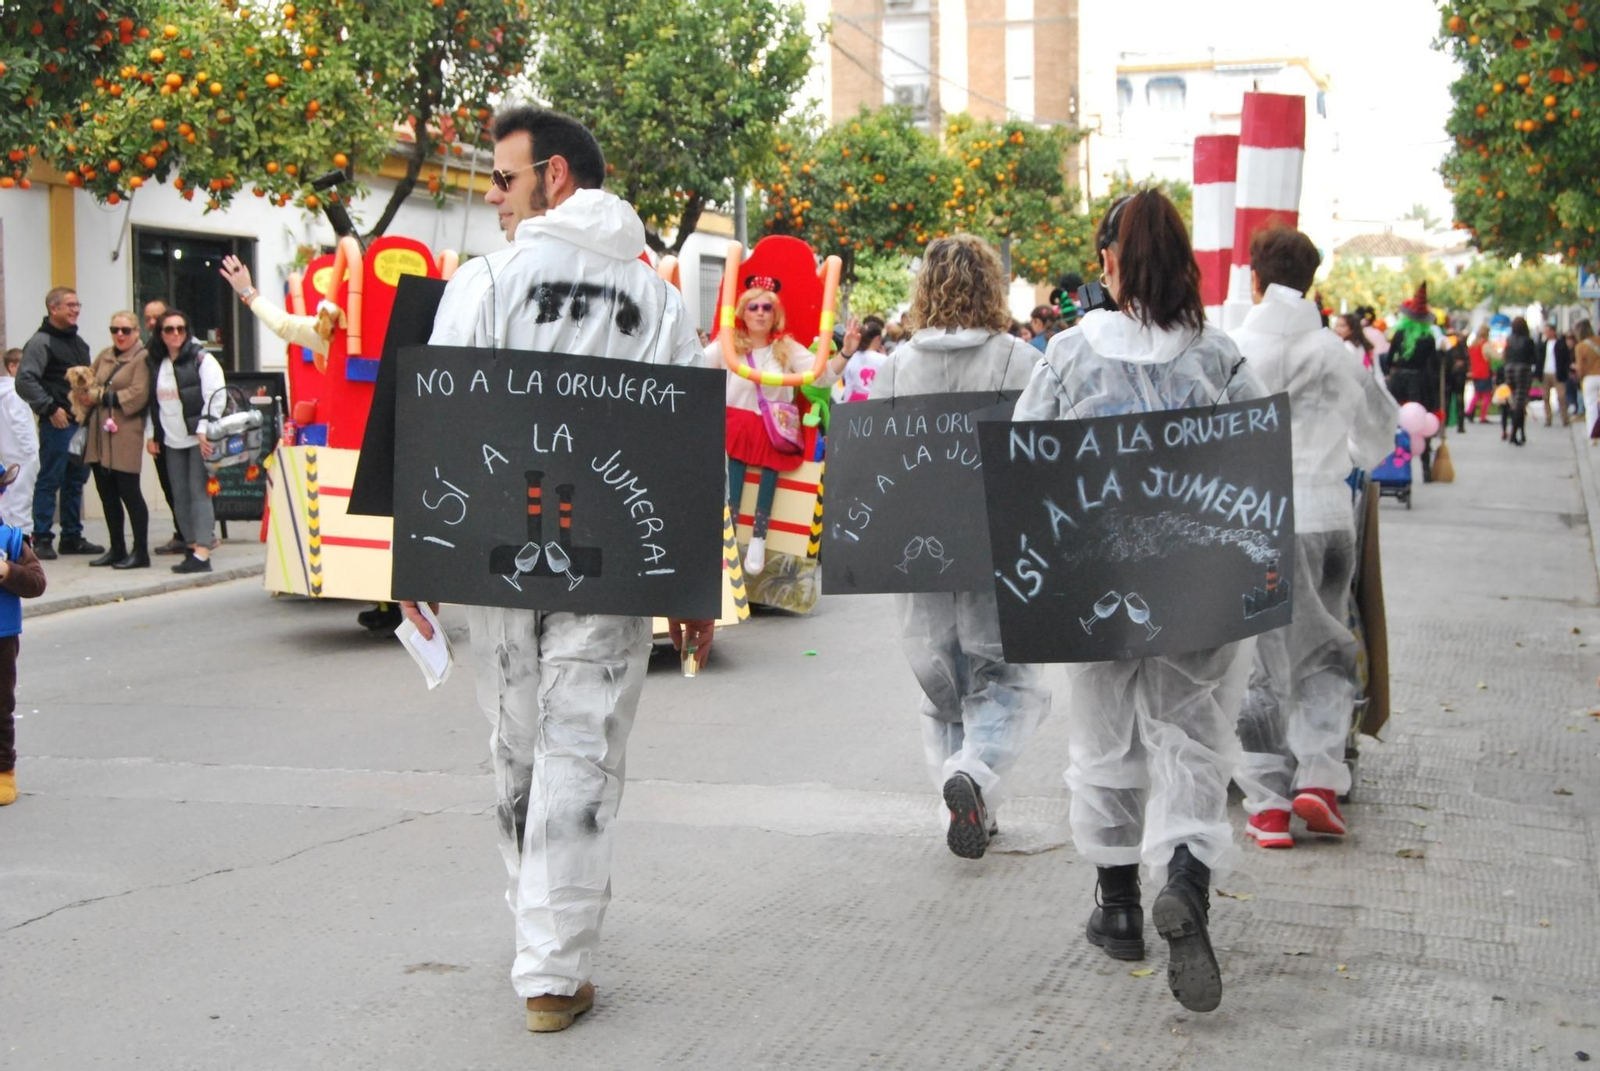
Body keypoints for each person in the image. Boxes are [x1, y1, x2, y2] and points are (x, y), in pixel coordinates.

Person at [399, 106, 713, 1033]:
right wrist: (696, 583)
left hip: (495, 553)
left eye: (504, 178)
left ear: (556, 176)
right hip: (617, 556)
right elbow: (688, 449)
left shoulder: (486, 281)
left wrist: (418, 552)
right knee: (582, 747)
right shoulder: (660, 300)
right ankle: (551, 959)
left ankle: (543, 945)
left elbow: (442, 419)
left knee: (514, 740)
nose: (494, 197)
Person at [1013, 189, 1265, 1013]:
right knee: (1195, 735)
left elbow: (1025, 453)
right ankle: (1186, 881)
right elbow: (1264, 456)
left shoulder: (1066, 354)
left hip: (1097, 583)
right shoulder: (1220, 357)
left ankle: (1118, 905)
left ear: (1110, 262)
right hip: (1200, 582)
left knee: (1105, 738)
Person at [867, 234, 1050, 860]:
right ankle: (974, 775)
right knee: (1006, 676)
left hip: (919, 543)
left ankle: (965, 795)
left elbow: (876, 457)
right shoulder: (1020, 361)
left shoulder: (896, 366)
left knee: (942, 681)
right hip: (998, 541)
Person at [1228, 227, 1398, 849]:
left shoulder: (1234, 349)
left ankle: (1269, 805)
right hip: (1328, 517)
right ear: (1311, 280)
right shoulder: (1336, 352)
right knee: (1326, 649)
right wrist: (1339, 453)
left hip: (1259, 520)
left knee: (1261, 661)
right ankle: (1320, 780)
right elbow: (1378, 434)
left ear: (1254, 278)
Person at [710, 284, 839, 575]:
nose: (760, 313)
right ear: (742, 312)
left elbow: (821, 375)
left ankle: (759, 538)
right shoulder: (727, 345)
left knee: (770, 473)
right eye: (753, 307)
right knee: (733, 478)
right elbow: (695, 364)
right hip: (736, 426)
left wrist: (845, 353)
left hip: (774, 428)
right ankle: (727, 540)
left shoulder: (786, 348)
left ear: (775, 314)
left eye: (766, 307)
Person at [16, 287, 105, 560]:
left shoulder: (80, 343)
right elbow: (24, 380)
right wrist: (49, 408)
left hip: (81, 422)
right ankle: (42, 538)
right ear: (53, 309)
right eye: (70, 305)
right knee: (50, 478)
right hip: (57, 424)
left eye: (78, 305)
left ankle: (72, 537)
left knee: (75, 480)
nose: (76, 310)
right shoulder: (40, 342)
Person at [148, 310, 225, 572]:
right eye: (169, 329)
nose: (175, 334)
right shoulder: (157, 362)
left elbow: (216, 396)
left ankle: (203, 551)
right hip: (172, 438)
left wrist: (204, 428)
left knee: (199, 493)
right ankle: (192, 548)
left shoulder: (202, 358)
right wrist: (153, 434)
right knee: (179, 495)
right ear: (160, 334)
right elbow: (153, 402)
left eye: (180, 328)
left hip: (198, 437)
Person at [79, 311, 152, 569]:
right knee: (107, 494)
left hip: (125, 433)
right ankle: (117, 548)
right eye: (115, 330)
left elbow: (139, 394)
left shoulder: (142, 358)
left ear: (137, 332)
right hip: (100, 433)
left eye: (125, 330)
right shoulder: (105, 355)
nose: (120, 335)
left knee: (130, 493)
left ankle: (141, 551)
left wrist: (102, 397)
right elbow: (89, 380)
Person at [0, 462, 48, 807]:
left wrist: (7, 570)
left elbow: (37, 582)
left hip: (2, 635)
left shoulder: (11, 538)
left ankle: (4, 771)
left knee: (1, 705)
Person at [141, 298, 186, 556]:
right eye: (147, 318)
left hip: (188, 432)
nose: (151, 323)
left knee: (189, 487)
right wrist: (151, 433)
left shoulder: (189, 351)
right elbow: (150, 397)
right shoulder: (150, 354)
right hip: (162, 430)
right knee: (169, 485)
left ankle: (195, 535)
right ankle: (182, 532)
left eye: (156, 318)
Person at [1383, 286, 1440, 480]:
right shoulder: (1429, 338)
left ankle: (1394, 465)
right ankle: (1426, 469)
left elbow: (1389, 360)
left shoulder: (1399, 334)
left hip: (1398, 382)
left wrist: (1394, 369)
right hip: (1419, 383)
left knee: (1396, 422)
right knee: (1420, 422)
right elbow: (1433, 365)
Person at [0, 350, 39, 537]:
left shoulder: (4, 393)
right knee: (22, 497)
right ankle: (22, 537)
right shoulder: (16, 393)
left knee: (9, 497)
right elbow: (20, 423)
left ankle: (8, 535)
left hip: (9, 453)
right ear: (12, 366)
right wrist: (31, 452)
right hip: (22, 455)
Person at [1502, 316, 1538, 446]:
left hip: (1510, 369)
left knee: (1513, 401)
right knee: (1520, 402)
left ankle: (1520, 432)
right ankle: (1514, 433)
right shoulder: (1528, 340)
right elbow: (1534, 358)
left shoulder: (1509, 339)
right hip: (1523, 369)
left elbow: (1505, 355)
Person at [836, 317, 887, 403]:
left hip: (855, 401)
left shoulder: (852, 358)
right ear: (878, 338)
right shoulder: (884, 359)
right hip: (877, 402)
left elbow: (849, 386)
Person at [1542, 323, 1572, 427]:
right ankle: (1548, 418)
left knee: (1561, 397)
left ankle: (1564, 418)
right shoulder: (1543, 344)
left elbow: (1566, 358)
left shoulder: (1560, 344)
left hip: (1558, 373)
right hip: (1546, 372)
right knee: (1545, 397)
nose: (1546, 333)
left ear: (1553, 331)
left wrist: (1565, 369)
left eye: (1548, 331)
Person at [1574, 320, 1600, 441]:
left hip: (1589, 379)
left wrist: (1580, 378)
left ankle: (1593, 435)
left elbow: (1580, 368)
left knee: (1591, 407)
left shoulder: (1580, 346)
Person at [1468, 324, 1493, 424]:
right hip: (1484, 372)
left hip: (1475, 372)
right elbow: (1493, 355)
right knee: (1487, 395)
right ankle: (1482, 416)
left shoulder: (1473, 344)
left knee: (1477, 394)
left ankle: (1469, 411)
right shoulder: (1485, 344)